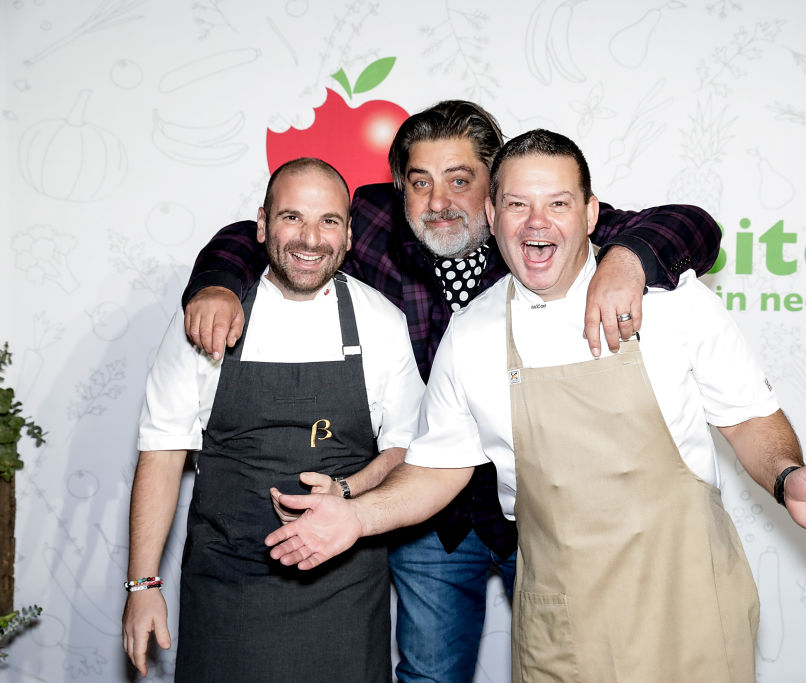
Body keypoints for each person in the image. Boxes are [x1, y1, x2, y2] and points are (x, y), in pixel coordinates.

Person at [263, 130, 806, 682]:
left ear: (590, 214)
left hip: (688, 608)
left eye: (558, 203)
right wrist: (357, 517)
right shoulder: (473, 334)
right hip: (561, 632)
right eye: (518, 204)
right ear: (492, 213)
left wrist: (787, 475)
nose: (538, 222)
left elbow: (747, 417)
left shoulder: (669, 302)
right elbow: (439, 468)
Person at [180, 101, 723, 681]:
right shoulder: (371, 222)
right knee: (430, 676)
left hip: (544, 514)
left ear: (496, 189)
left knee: (588, 666)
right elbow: (254, 234)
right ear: (398, 189)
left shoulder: (534, 226)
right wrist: (217, 285)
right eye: (420, 183)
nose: (439, 202)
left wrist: (629, 263)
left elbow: (693, 226)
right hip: (426, 518)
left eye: (460, 181)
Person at [122, 158, 424, 681]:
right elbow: (163, 451)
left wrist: (347, 490)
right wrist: (143, 587)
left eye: (329, 221)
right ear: (261, 226)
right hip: (226, 590)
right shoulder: (209, 317)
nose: (311, 238)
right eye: (292, 218)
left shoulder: (380, 320)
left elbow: (403, 449)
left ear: (349, 234)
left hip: (345, 596)